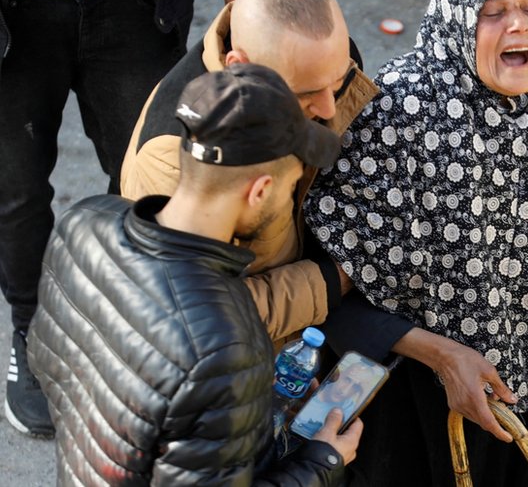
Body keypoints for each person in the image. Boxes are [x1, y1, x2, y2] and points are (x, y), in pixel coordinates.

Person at [304, 0, 528, 486]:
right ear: (457, 22)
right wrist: (438, 354)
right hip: (421, 414)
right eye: (493, 12)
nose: (518, 25)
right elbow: (326, 295)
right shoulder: (390, 119)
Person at [27, 64, 363, 485]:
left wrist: (244, 417)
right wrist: (321, 462)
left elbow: (47, 360)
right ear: (259, 190)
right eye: (291, 184)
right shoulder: (224, 341)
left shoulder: (84, 221)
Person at [0, 0, 263, 437]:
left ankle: (123, 319)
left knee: (147, 177)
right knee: (15, 196)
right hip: (8, 6)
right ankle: (33, 330)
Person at [120, 0, 378, 347]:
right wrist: (335, 278)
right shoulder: (169, 162)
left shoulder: (318, 64)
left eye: (338, 82)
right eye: (305, 94)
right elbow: (195, 317)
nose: (328, 107)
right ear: (239, 66)